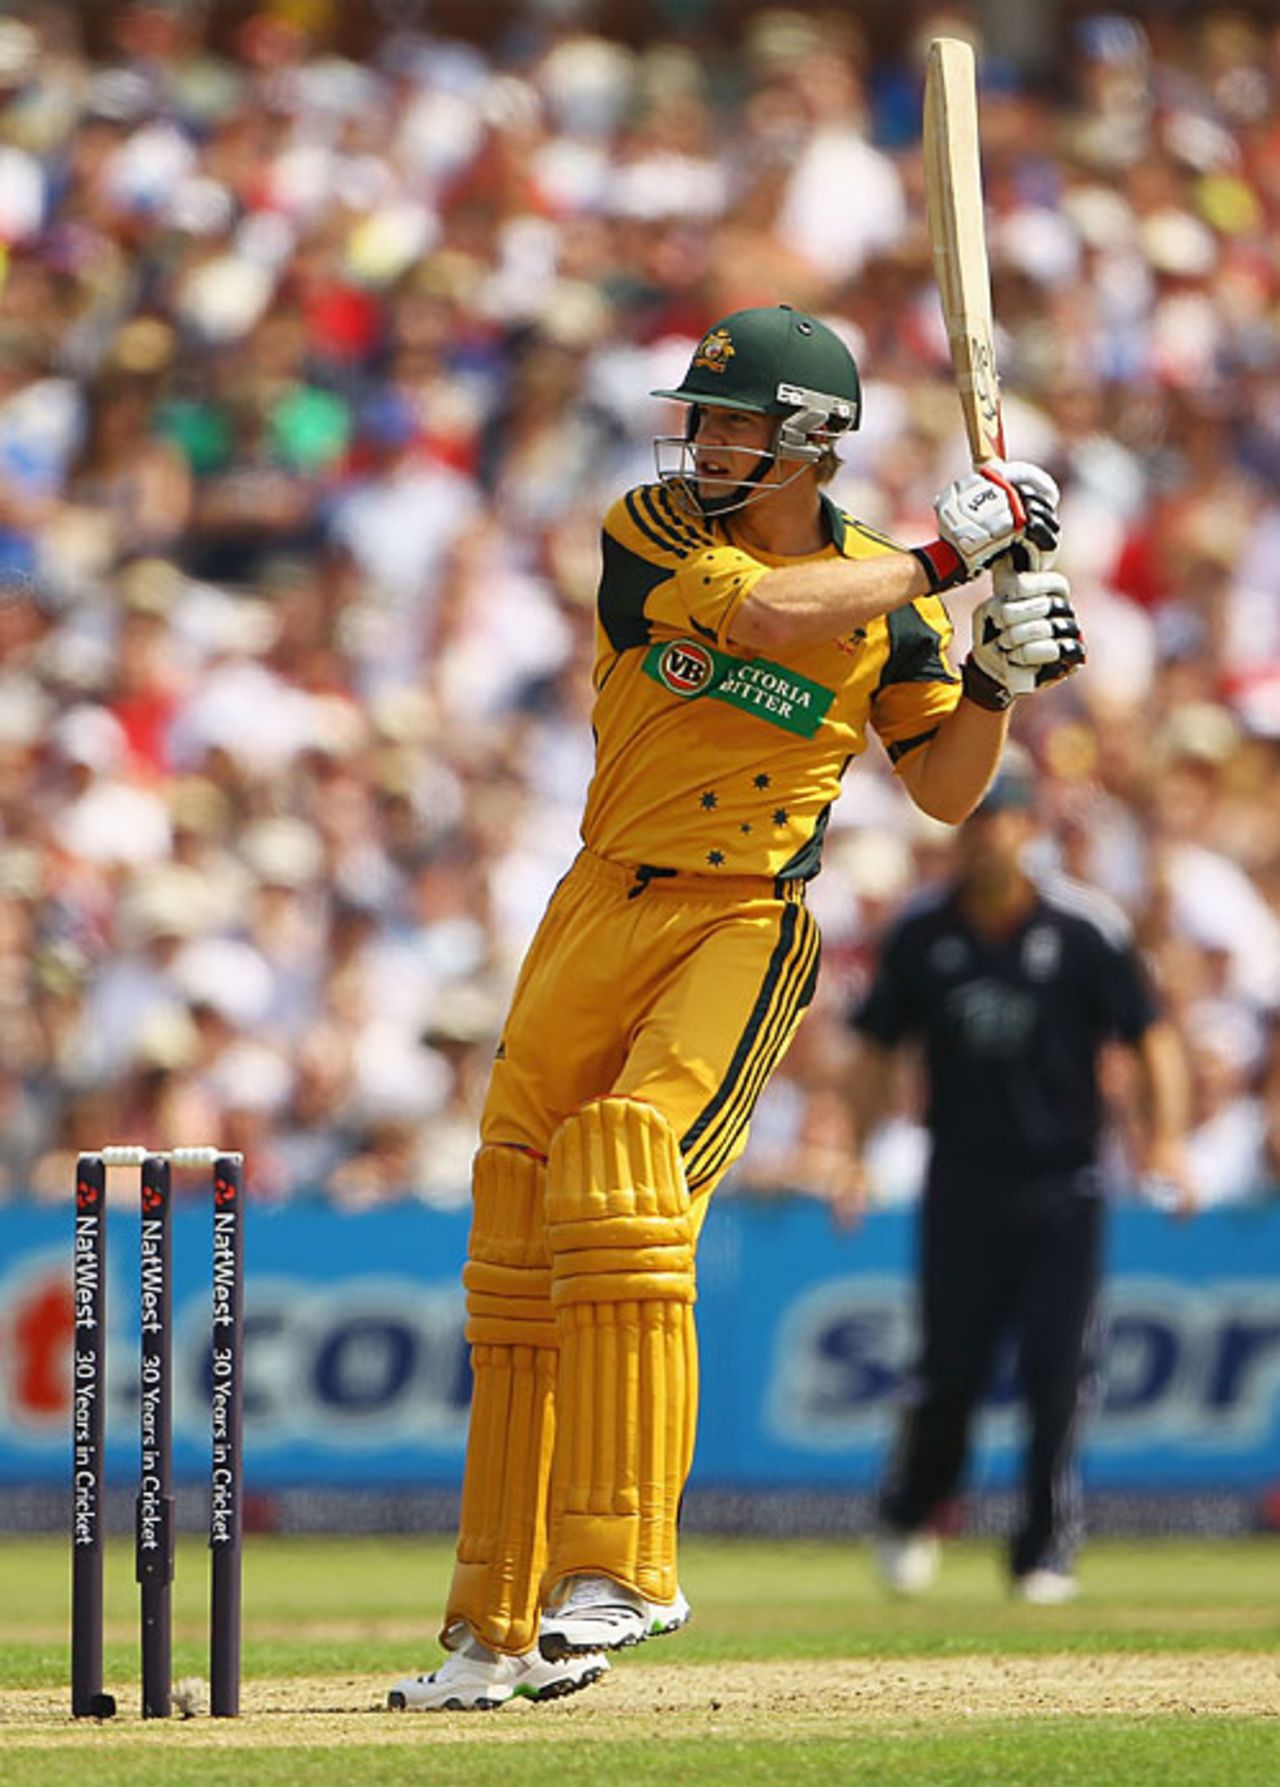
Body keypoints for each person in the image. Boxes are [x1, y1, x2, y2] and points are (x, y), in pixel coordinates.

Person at [388, 304, 1084, 1711]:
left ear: (813, 443)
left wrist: (998, 678)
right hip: (594, 900)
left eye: (737, 425)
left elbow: (946, 788)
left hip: (739, 916)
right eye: (702, 418)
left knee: (629, 1160)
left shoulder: (885, 599)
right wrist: (952, 557)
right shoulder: (654, 527)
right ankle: (495, 1622)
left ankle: (627, 1565)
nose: (705, 444)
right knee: (519, 1219)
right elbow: (769, 614)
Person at [842, 742, 1193, 1605]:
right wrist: (853, 1153)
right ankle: (916, 1507)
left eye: (1002, 818)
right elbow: (877, 1049)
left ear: (1031, 827)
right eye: (974, 820)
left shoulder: (1083, 929)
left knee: (1056, 1369)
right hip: (960, 1178)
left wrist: (1167, 1140)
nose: (988, 836)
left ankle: (1043, 1544)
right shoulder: (924, 933)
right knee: (949, 1369)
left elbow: (1150, 1036)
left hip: (1063, 1182)